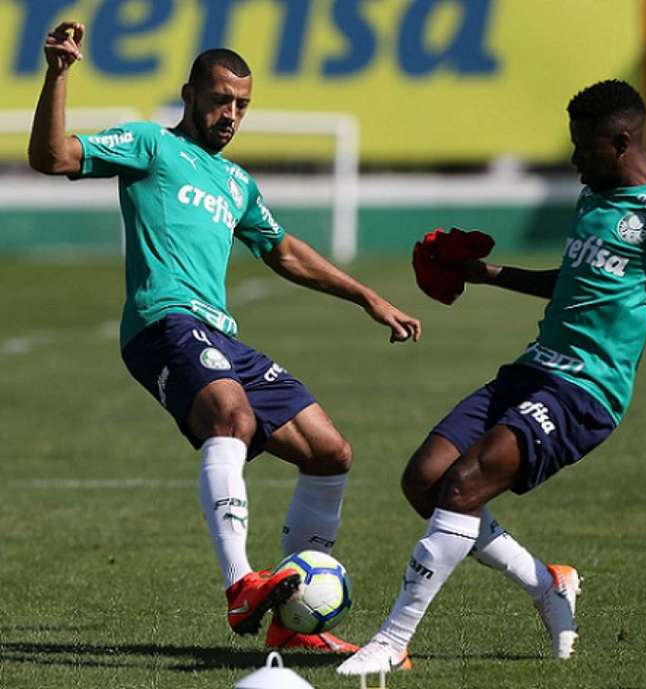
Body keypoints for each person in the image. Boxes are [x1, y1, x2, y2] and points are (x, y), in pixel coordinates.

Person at [337, 79, 646, 675]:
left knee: (464, 485)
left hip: (587, 391)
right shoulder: (595, 198)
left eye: (582, 146)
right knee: (425, 481)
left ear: (620, 142)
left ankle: (391, 642)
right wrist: (486, 275)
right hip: (534, 368)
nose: (572, 158)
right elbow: (573, 283)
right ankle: (548, 585)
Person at [28, 22, 421, 654]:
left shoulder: (237, 183)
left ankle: (292, 624)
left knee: (330, 452)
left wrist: (368, 297)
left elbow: (284, 251)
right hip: (162, 323)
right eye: (220, 100)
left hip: (217, 332)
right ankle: (242, 583)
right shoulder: (151, 145)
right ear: (189, 94)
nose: (231, 114)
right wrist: (58, 73)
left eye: (241, 104)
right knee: (229, 417)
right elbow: (52, 158)